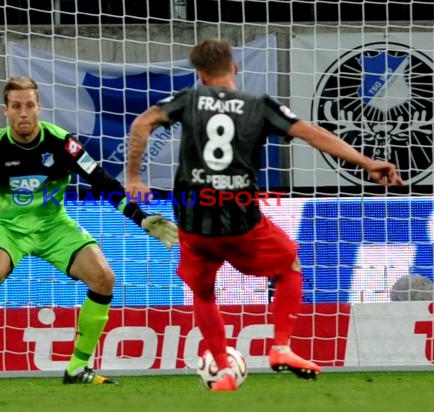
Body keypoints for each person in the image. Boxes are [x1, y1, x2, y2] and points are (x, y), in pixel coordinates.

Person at [126, 38, 404, 391]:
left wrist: (134, 177)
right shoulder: (257, 105)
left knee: (203, 292)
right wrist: (367, 163)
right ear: (235, 69)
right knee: (289, 266)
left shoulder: (188, 99)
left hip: (194, 223)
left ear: (200, 75)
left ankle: (223, 369)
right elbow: (312, 134)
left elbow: (141, 124)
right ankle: (281, 348)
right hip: (241, 222)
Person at [0, 76, 178, 386]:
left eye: (30, 105)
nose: (24, 113)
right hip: (8, 227)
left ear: (39, 108)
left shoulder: (63, 143)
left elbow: (103, 182)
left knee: (104, 278)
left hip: (53, 226)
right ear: (5, 111)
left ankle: (77, 368)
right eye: (17, 106)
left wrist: (140, 218)